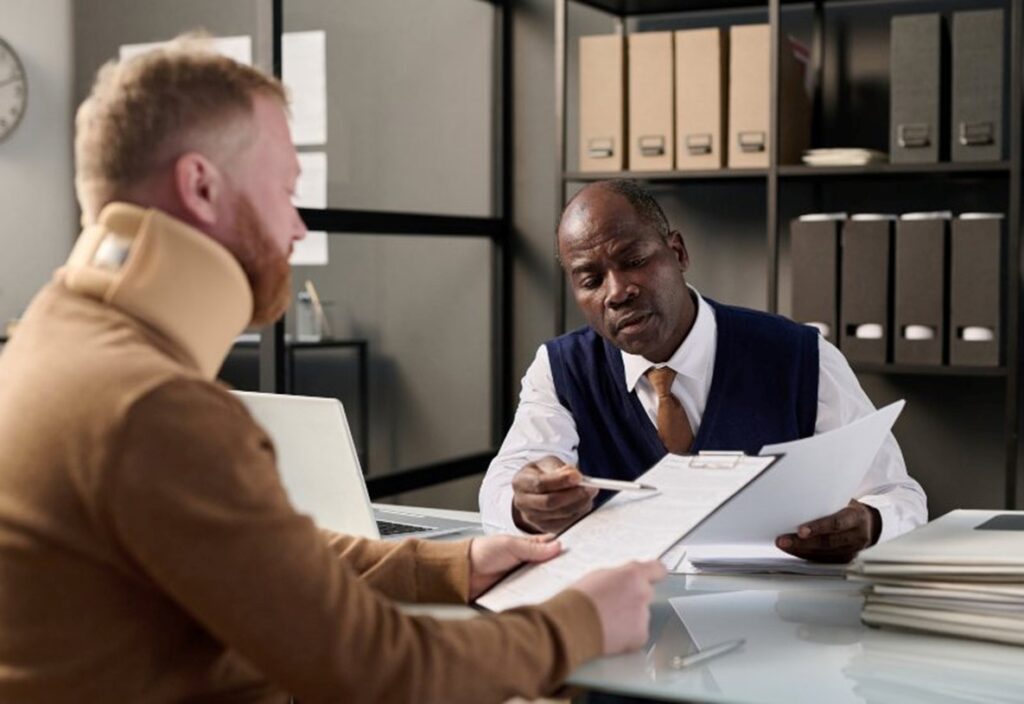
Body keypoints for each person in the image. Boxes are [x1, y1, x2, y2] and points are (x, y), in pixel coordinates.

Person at [0, 38, 666, 703]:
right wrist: (579, 623)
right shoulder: (150, 406)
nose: (296, 227)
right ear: (201, 185)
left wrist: (451, 564)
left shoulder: (46, 343)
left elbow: (259, 561)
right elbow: (380, 669)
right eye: (287, 190)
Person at [480, 179, 927, 563]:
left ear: (677, 252)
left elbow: (899, 496)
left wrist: (870, 523)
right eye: (591, 280)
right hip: (630, 625)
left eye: (633, 260)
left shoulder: (801, 355)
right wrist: (525, 505)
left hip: (773, 626)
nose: (617, 292)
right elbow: (501, 488)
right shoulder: (561, 370)